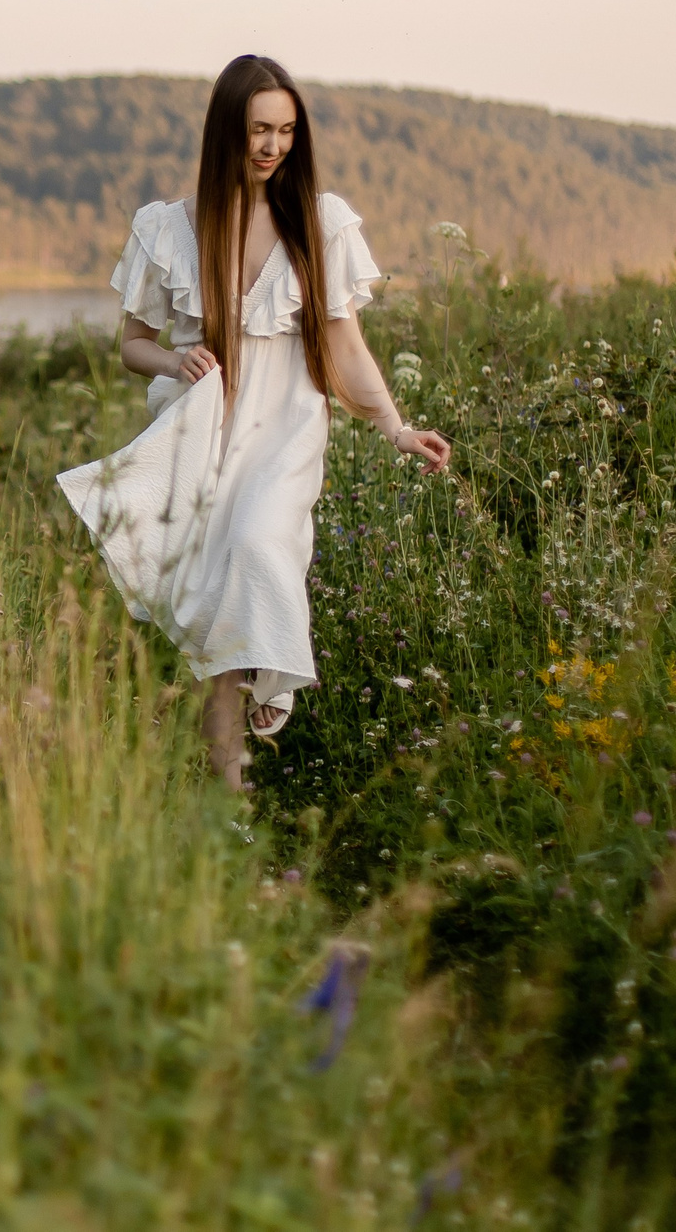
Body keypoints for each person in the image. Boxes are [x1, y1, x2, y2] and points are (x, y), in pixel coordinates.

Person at [57, 54, 452, 791]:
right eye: (258, 130)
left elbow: (346, 345)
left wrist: (396, 427)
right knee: (219, 635)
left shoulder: (318, 222)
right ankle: (229, 804)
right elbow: (132, 344)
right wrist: (175, 360)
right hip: (201, 432)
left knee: (258, 543)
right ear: (225, 131)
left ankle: (274, 669)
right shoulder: (170, 228)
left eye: (286, 131)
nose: (273, 146)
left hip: (284, 430)